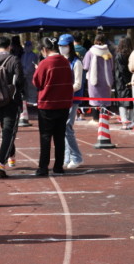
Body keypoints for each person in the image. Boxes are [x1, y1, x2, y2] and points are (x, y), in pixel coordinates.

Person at [33, 37, 73, 176]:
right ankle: (58, 166)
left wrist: (37, 69)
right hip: (63, 104)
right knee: (60, 137)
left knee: (45, 137)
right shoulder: (65, 62)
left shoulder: (45, 63)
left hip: (47, 104)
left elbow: (37, 83)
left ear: (44, 49)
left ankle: (43, 167)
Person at [0, 36, 24, 177]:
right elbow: (20, 80)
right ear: (9, 46)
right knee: (9, 130)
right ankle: (0, 162)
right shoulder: (14, 59)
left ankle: (11, 155)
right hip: (11, 100)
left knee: (6, 129)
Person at [58, 34, 84, 169]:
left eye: (65, 46)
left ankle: (77, 157)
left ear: (70, 46)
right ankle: (67, 158)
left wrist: (64, 91)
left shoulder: (76, 62)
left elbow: (78, 84)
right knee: (63, 128)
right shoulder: (60, 60)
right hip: (62, 98)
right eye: (60, 46)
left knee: (67, 127)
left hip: (72, 99)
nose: (62, 48)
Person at [82, 34, 114, 122]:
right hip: (106, 80)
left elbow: (85, 66)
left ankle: (95, 119)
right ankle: (105, 119)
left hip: (94, 80)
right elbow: (111, 67)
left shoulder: (90, 52)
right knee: (106, 99)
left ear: (95, 41)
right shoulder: (108, 52)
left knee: (95, 99)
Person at [115, 37, 134, 130]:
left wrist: (126, 81)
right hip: (131, 79)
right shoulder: (131, 54)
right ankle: (131, 121)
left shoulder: (119, 55)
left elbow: (121, 69)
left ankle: (125, 122)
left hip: (121, 81)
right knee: (131, 102)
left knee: (122, 102)